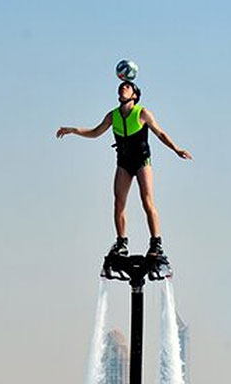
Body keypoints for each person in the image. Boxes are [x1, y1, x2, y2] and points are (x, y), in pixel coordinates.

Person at [56, 79, 192, 260]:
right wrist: (73, 130)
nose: (123, 88)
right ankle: (121, 243)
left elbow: (160, 133)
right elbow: (95, 132)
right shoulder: (113, 116)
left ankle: (156, 243)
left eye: (127, 87)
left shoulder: (142, 113)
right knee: (119, 202)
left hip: (142, 161)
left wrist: (176, 149)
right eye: (121, 86)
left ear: (134, 95)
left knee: (147, 201)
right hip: (124, 163)